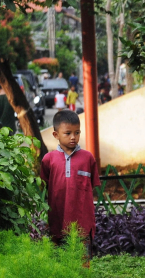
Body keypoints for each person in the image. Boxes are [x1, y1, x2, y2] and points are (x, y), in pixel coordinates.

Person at [39, 110, 100, 258]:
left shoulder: (87, 158)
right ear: (56, 135)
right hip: (57, 221)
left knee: (83, 262)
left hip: (83, 222)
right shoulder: (49, 159)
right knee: (60, 263)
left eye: (77, 132)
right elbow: (44, 185)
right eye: (68, 133)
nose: (73, 137)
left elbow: (92, 186)